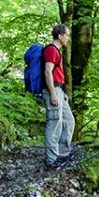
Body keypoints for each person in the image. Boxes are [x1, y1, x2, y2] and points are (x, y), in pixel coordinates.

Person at [42, 24, 74, 167]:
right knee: (54, 123)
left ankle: (63, 153)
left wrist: (62, 92)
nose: (68, 38)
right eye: (67, 35)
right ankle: (51, 160)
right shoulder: (51, 50)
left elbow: (55, 74)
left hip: (59, 90)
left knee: (68, 120)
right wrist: (54, 94)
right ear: (60, 36)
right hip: (52, 90)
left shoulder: (56, 51)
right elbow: (48, 72)